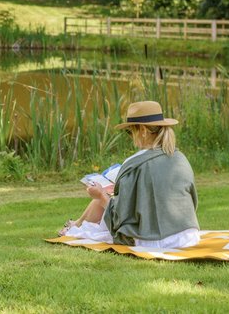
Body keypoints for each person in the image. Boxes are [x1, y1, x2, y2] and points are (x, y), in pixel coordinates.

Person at [58, 101, 200, 248]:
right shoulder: (180, 158)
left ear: (143, 131)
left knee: (102, 201)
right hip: (187, 235)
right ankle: (76, 224)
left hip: (152, 240)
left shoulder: (134, 163)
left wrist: (100, 195)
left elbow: (119, 216)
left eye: (130, 131)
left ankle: (76, 226)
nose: (130, 136)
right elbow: (192, 201)